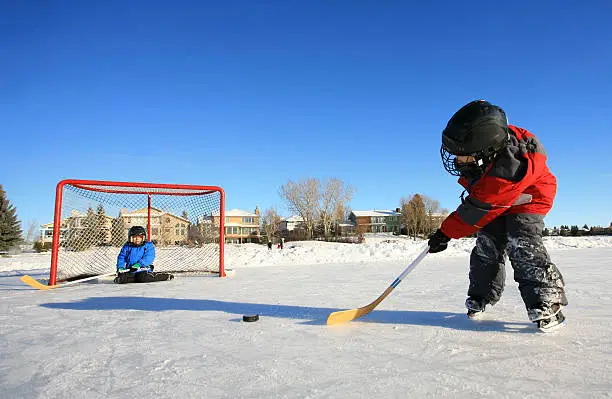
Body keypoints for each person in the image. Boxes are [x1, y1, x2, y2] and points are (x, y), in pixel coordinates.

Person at [427, 100, 567, 332]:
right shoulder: (493, 149)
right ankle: (481, 295)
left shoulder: (507, 171)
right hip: (497, 200)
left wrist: (445, 233)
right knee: (487, 243)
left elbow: (475, 210)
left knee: (520, 241)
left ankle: (546, 301)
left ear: (486, 150)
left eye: (463, 156)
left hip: (528, 199)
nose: (457, 161)